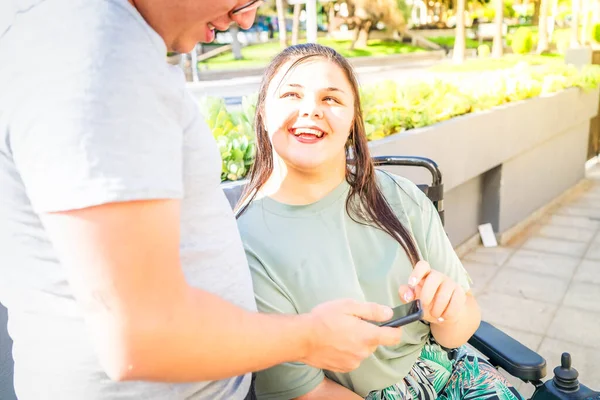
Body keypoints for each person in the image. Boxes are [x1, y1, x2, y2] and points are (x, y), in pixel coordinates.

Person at [0, 1, 404, 399]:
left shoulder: (106, 39)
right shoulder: (93, 49)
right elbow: (142, 334)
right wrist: (311, 337)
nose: (245, 17)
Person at [236, 43, 525, 400]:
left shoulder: (400, 195)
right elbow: (302, 391)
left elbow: (458, 332)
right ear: (263, 112)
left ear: (353, 121)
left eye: (331, 99)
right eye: (291, 94)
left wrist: (447, 310)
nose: (310, 110)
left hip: (451, 373)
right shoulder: (245, 242)